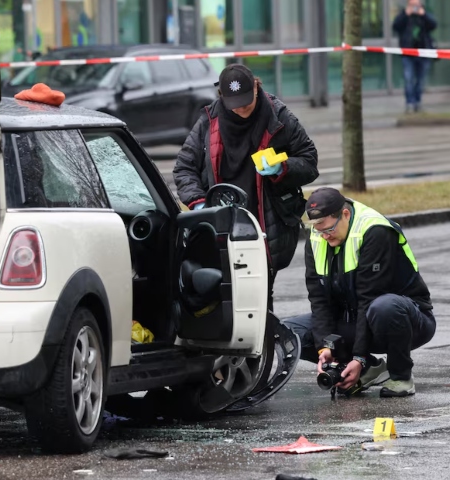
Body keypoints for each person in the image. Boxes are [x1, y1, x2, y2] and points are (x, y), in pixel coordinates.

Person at [173, 63, 319, 306]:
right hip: (223, 224)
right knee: (226, 297)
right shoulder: (209, 120)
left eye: (246, 102)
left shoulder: (279, 116)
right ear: (221, 96)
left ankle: (264, 342)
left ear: (256, 87)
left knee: (260, 296)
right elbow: (184, 168)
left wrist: (282, 168)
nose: (241, 110)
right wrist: (200, 204)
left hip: (266, 225)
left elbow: (309, 160)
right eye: (234, 104)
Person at [284, 188, 435, 397]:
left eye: (329, 229)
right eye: (318, 230)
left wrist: (359, 356)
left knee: (384, 307)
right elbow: (319, 300)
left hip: (406, 319)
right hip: (355, 318)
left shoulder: (375, 231)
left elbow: (368, 297)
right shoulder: (317, 236)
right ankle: (366, 370)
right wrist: (324, 348)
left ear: (345, 214)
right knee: (288, 332)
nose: (324, 236)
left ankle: (400, 376)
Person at [392, 0, 437, 113]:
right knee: (409, 78)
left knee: (420, 79)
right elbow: (395, 26)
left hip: (423, 52)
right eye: (412, 5)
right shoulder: (404, 15)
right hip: (408, 53)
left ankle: (418, 101)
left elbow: (434, 25)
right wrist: (405, 14)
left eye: (417, 5)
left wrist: (424, 15)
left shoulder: (424, 15)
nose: (415, 8)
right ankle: (409, 102)